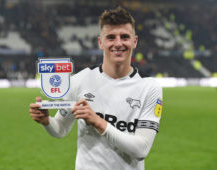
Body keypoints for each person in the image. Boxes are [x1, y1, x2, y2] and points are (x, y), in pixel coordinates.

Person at [29, 6, 163, 170]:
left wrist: (98, 122)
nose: (118, 43)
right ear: (101, 42)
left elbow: (141, 149)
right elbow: (61, 128)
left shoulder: (149, 87)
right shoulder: (80, 80)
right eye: (111, 37)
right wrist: (47, 121)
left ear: (134, 41)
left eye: (125, 37)